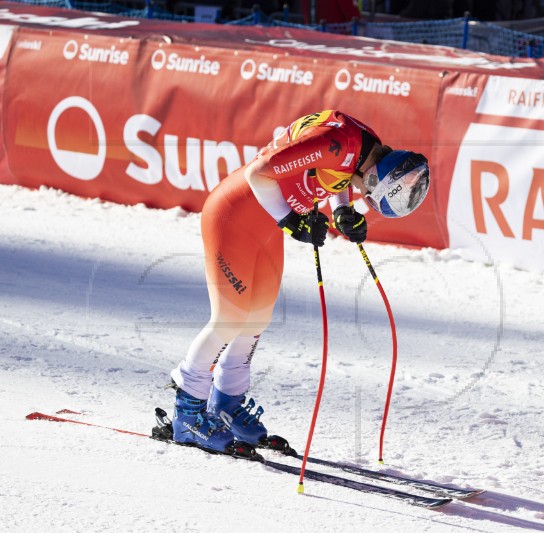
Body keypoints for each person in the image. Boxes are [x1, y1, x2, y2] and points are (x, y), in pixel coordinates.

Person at [168, 110, 431, 452]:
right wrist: (291, 219)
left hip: (264, 227)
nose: (365, 198)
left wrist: (340, 210)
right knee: (229, 319)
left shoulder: (364, 148)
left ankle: (226, 403)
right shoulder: (340, 145)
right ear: (373, 178)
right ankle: (187, 412)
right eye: (370, 196)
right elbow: (258, 172)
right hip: (233, 217)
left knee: (256, 318)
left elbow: (338, 175)